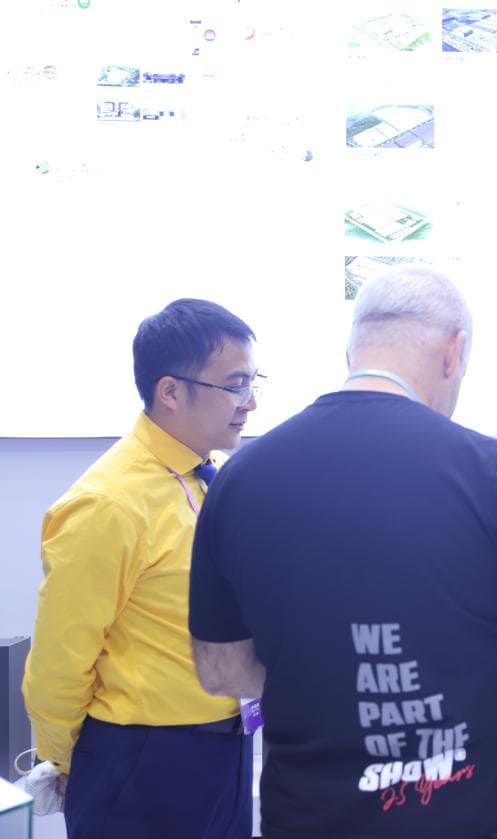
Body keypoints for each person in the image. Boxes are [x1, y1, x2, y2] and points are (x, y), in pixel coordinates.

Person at [187, 267, 497, 839]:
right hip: (468, 820)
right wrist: (493, 661)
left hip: (309, 821)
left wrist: (330, 677)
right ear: (454, 352)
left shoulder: (239, 480)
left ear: (352, 350)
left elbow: (220, 670)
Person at [23, 298, 262, 838]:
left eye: (253, 383)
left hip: (228, 744)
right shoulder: (108, 504)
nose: (249, 402)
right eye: (235, 385)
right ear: (170, 391)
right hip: (142, 758)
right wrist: (65, 761)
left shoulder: (214, 477)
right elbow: (60, 660)